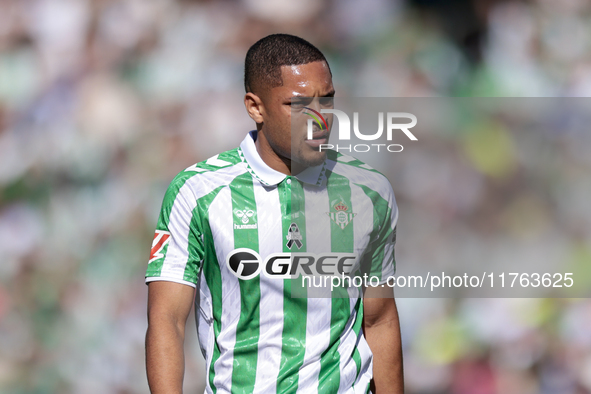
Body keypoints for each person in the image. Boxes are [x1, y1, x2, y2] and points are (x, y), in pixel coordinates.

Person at [145, 34, 403, 394]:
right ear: (255, 107)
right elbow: (167, 320)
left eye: (326, 100)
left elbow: (380, 318)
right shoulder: (199, 192)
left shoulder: (370, 191)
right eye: (298, 104)